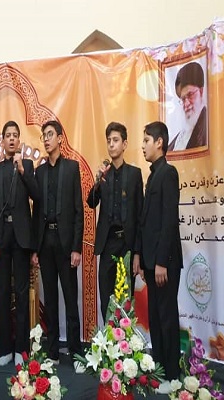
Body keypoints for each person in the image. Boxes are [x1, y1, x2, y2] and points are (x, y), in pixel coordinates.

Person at [32, 120, 84, 372]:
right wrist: (34, 249)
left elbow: (78, 211)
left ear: (60, 138)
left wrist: (76, 248)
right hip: (45, 243)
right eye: (44, 135)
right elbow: (35, 212)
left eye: (50, 134)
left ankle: (75, 351)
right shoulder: (39, 172)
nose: (46, 139)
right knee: (50, 299)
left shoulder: (72, 168)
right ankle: (52, 351)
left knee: (70, 299)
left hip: (65, 244)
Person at [0, 121, 39, 366]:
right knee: (3, 293)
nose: (11, 139)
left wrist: (22, 170)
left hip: (21, 238)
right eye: (7, 135)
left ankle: (22, 348)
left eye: (15, 135)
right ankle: (5, 348)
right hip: (1, 238)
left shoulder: (27, 165)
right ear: (2, 140)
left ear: (19, 140)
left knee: (21, 292)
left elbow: (36, 195)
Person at [138, 121, 182, 390]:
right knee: (155, 318)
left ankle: (173, 377)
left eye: (146, 140)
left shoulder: (168, 173)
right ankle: (161, 369)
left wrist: (162, 262)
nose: (142, 146)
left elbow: (168, 221)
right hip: (152, 263)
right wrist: (145, 260)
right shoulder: (153, 175)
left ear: (159, 142)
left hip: (165, 263)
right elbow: (147, 223)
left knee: (166, 318)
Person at [86, 122, 144, 322]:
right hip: (108, 242)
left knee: (126, 299)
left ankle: (124, 338)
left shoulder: (134, 174)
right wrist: (97, 181)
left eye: (116, 140)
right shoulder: (104, 175)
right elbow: (91, 202)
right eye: (109, 140)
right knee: (106, 297)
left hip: (127, 243)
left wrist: (137, 253)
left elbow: (140, 216)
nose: (111, 144)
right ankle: (108, 336)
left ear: (124, 144)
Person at [168, 61, 207, 151]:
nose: (186, 104)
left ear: (201, 92)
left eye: (190, 95)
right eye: (183, 99)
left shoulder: (209, 126)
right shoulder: (183, 132)